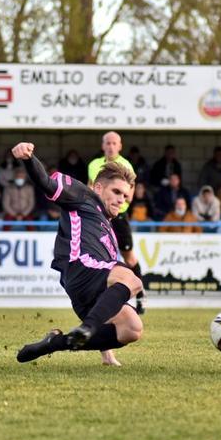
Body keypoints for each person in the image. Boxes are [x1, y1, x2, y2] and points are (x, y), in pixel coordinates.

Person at [11, 142, 143, 367]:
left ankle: (56, 342)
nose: (121, 200)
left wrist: (106, 352)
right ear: (99, 188)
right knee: (132, 280)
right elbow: (47, 184)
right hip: (81, 268)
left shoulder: (108, 227)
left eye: (126, 197)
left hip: (87, 293)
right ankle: (87, 328)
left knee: (132, 328)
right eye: (117, 192)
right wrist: (28, 159)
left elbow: (108, 301)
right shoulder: (83, 195)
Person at [87, 132, 144, 313]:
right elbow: (90, 187)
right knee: (99, 256)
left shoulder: (125, 165)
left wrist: (115, 202)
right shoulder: (94, 165)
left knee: (129, 257)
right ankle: (102, 298)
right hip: (98, 217)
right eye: (108, 143)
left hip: (118, 217)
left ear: (120, 146)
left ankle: (141, 297)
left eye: (114, 143)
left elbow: (129, 194)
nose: (111, 146)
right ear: (103, 145)